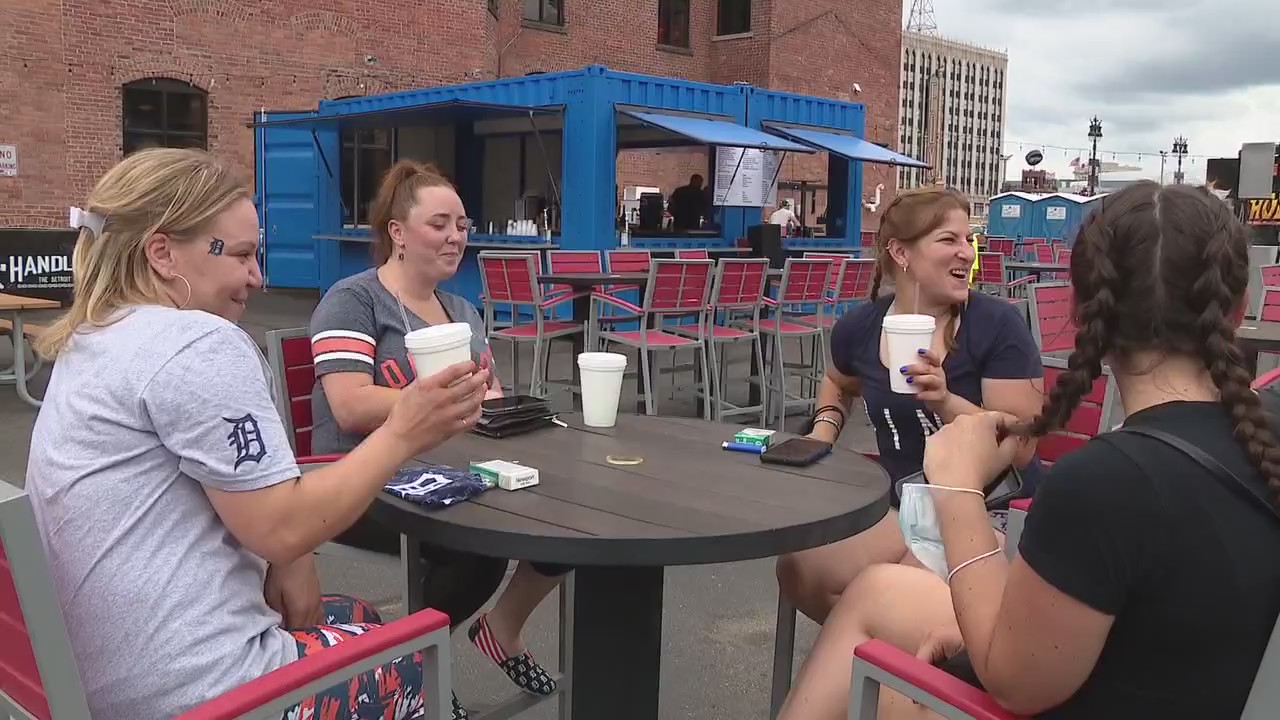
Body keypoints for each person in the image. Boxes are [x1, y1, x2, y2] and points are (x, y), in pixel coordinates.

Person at [778, 181, 1280, 719]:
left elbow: (1015, 685)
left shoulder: (1104, 484)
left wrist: (957, 489)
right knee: (874, 588)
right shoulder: (1259, 437)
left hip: (1052, 683)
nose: (965, 252)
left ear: (1084, 314)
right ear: (1239, 309)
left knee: (881, 642)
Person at [25, 148, 488, 720]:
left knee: (360, 617)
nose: (257, 276)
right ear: (163, 253)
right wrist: (403, 432)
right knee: (419, 661)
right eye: (242, 254)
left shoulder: (95, 338)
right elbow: (281, 526)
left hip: (96, 677)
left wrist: (289, 558)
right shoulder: (195, 345)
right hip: (201, 692)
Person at [309, 159, 567, 713]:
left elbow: (488, 395)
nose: (456, 237)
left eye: (463, 225)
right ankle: (410, 669)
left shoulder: (463, 310)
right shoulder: (354, 300)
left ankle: (503, 626)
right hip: (358, 479)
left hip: (455, 472)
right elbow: (350, 406)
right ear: (397, 233)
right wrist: (434, 405)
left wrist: (506, 409)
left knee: (570, 509)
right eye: (440, 224)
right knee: (477, 549)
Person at [776, 187, 1044, 625]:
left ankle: (884, 672)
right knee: (799, 567)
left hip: (985, 509)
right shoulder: (860, 327)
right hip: (902, 504)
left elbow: (1023, 446)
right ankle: (881, 668)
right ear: (900, 252)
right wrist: (821, 433)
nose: (967, 253)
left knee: (886, 598)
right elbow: (837, 381)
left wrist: (945, 400)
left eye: (968, 239)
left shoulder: (997, 325)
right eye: (949, 240)